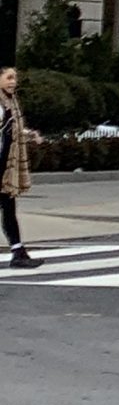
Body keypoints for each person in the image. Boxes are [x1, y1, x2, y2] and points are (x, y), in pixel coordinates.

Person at [0, 64, 42, 269]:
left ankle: (18, 252)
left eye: (14, 78)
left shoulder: (10, 102)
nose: (13, 81)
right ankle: (18, 252)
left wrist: (28, 134)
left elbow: (11, 130)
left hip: (5, 165)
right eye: (8, 77)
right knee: (8, 209)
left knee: (8, 209)